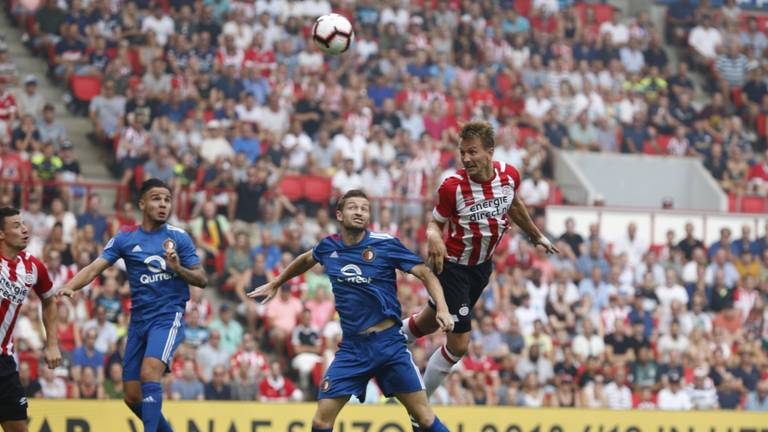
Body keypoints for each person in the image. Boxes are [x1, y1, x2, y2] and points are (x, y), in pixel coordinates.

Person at [249, 189, 454, 432]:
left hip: (388, 344)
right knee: (320, 421)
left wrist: (441, 307)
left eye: (364, 209)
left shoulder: (385, 244)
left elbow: (424, 272)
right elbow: (306, 259)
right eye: (353, 207)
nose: (359, 212)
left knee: (424, 417)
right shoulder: (328, 246)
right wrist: (277, 282)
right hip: (352, 348)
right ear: (339, 214)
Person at [400, 121, 558, 422]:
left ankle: (392, 340)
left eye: (473, 152)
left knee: (430, 321)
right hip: (454, 267)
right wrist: (434, 237)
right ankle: (419, 405)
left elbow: (513, 205)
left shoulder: (509, 176)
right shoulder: (452, 187)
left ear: (490, 152)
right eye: (463, 153)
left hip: (481, 269)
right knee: (458, 343)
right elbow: (435, 222)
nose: (467, 158)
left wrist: (536, 235)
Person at [57, 179, 207, 432]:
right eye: (157, 198)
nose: (163, 204)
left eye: (167, 200)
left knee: (150, 372)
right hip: (138, 321)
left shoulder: (178, 237)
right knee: (132, 396)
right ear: (142, 203)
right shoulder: (126, 238)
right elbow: (96, 267)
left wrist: (177, 268)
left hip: (168, 317)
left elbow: (202, 279)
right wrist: (70, 286)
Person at [0, 207, 61, 432]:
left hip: (4, 361)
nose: (25, 229)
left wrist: (52, 343)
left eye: (23, 224)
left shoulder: (33, 266)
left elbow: (49, 300)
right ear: (1, 233)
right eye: (16, 225)